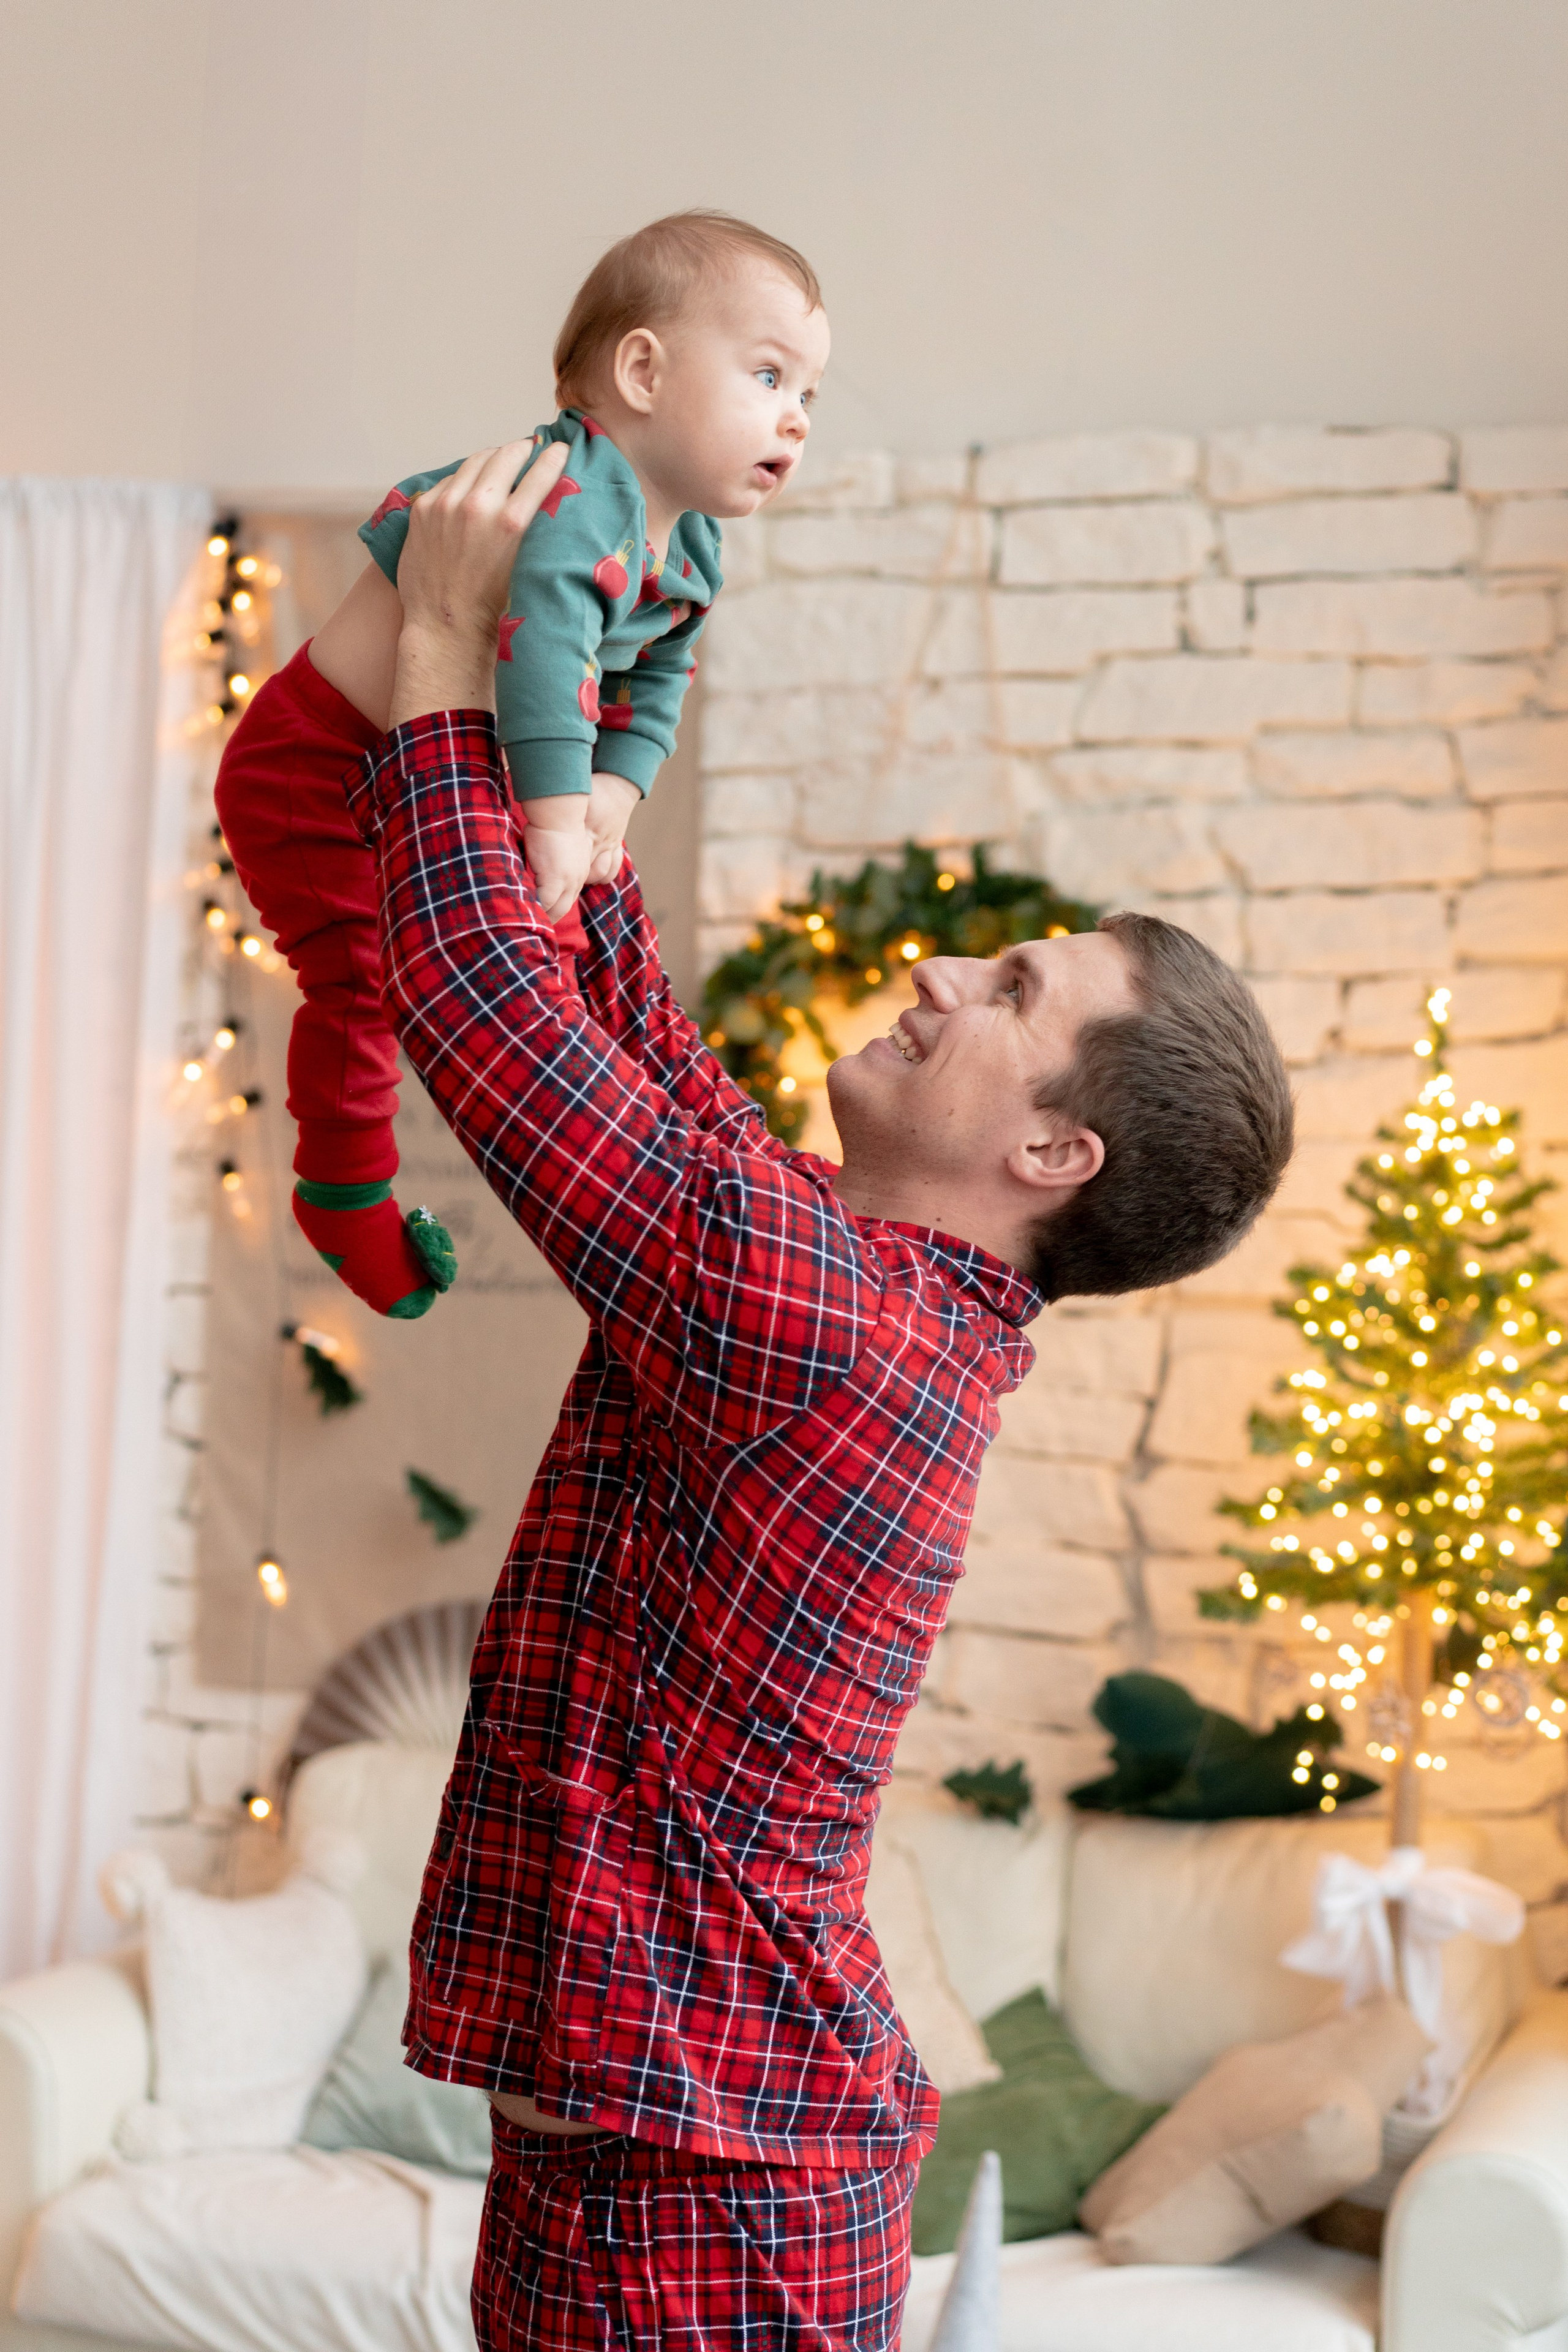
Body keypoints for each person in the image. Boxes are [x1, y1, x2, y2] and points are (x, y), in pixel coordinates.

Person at [347, 445, 1294, 2350]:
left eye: (1010, 991)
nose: (939, 971)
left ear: (1054, 1154)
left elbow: (483, 1008)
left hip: (699, 2207)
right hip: (652, 2171)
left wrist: (445, 649)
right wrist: (583, 726)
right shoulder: (838, 1277)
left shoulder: (830, 1324)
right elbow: (620, 1030)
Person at [214, 211, 826, 1317]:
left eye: (810, 396)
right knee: (360, 980)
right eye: (770, 375)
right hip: (315, 766)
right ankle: (341, 1197)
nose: (796, 416)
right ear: (643, 372)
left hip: (427, 767)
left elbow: (660, 678)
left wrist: (613, 790)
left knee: (529, 959)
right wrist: (554, 819)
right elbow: (543, 652)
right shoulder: (570, 494)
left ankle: (623, 1155)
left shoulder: (692, 544)